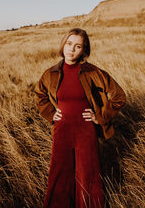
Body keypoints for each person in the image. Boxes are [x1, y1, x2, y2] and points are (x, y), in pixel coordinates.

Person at [34, 28, 126, 208]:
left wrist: (100, 116)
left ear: (84, 50)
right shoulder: (51, 73)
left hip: (85, 130)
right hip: (62, 129)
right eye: (69, 44)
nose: (72, 49)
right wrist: (52, 114)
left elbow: (118, 96)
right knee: (60, 172)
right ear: (63, 44)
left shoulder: (92, 72)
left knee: (88, 173)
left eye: (78, 46)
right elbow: (40, 94)